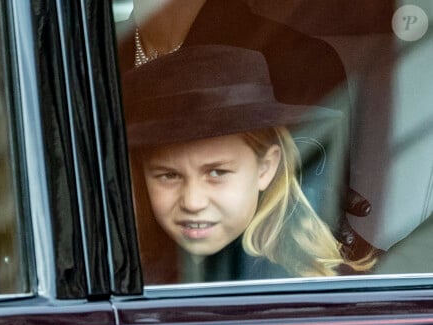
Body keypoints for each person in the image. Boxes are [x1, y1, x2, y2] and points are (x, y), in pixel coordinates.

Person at [115, 0, 377, 261]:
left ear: (267, 166)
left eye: (217, 172)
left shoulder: (299, 59)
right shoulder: (83, 52)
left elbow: (309, 201)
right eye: (167, 175)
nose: (193, 201)